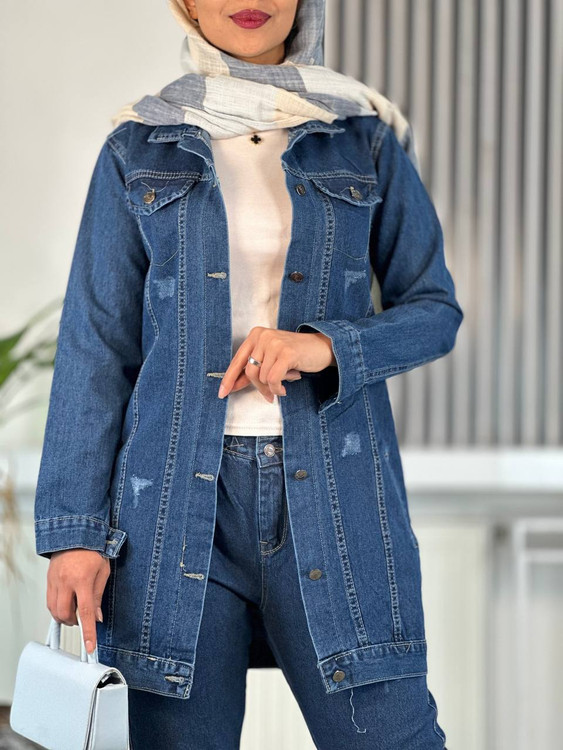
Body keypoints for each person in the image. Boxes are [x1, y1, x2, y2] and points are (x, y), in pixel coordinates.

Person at [34, 0, 462, 746]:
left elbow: (434, 311)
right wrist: (75, 534)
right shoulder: (139, 144)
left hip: (337, 495)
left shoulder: (360, 135)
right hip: (169, 508)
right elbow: (95, 346)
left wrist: (322, 346)